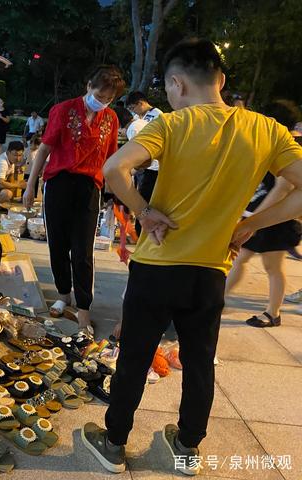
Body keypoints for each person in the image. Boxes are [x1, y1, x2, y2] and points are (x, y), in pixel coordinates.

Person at [81, 39, 302, 476]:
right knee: (200, 361)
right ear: (220, 80)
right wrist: (252, 223)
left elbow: (113, 171)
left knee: (135, 357)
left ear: (177, 84)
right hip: (210, 271)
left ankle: (114, 444)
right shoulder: (268, 130)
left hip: (156, 268)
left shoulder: (171, 126)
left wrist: (145, 213)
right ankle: (186, 448)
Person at [23, 65, 125, 331]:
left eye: (108, 99)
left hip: (90, 186)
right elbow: (44, 148)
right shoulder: (64, 110)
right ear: (88, 86)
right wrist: (30, 185)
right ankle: (62, 294)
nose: (102, 102)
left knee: (82, 250)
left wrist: (115, 194)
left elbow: (112, 159)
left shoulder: (111, 119)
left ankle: (83, 308)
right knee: (57, 245)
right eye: (99, 96)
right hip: (58, 183)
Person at [226, 100, 302, 328]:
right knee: (241, 259)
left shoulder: (290, 144)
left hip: (277, 220)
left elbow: (283, 187)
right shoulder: (278, 140)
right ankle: (215, 300)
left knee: (272, 267)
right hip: (265, 217)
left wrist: (254, 220)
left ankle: (273, 313)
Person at [125, 91, 163, 234]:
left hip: (153, 166)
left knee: (148, 197)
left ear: (141, 103)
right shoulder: (137, 117)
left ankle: (144, 231)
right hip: (141, 163)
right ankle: (140, 229)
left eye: (133, 107)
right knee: (141, 195)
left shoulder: (158, 115)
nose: (133, 111)